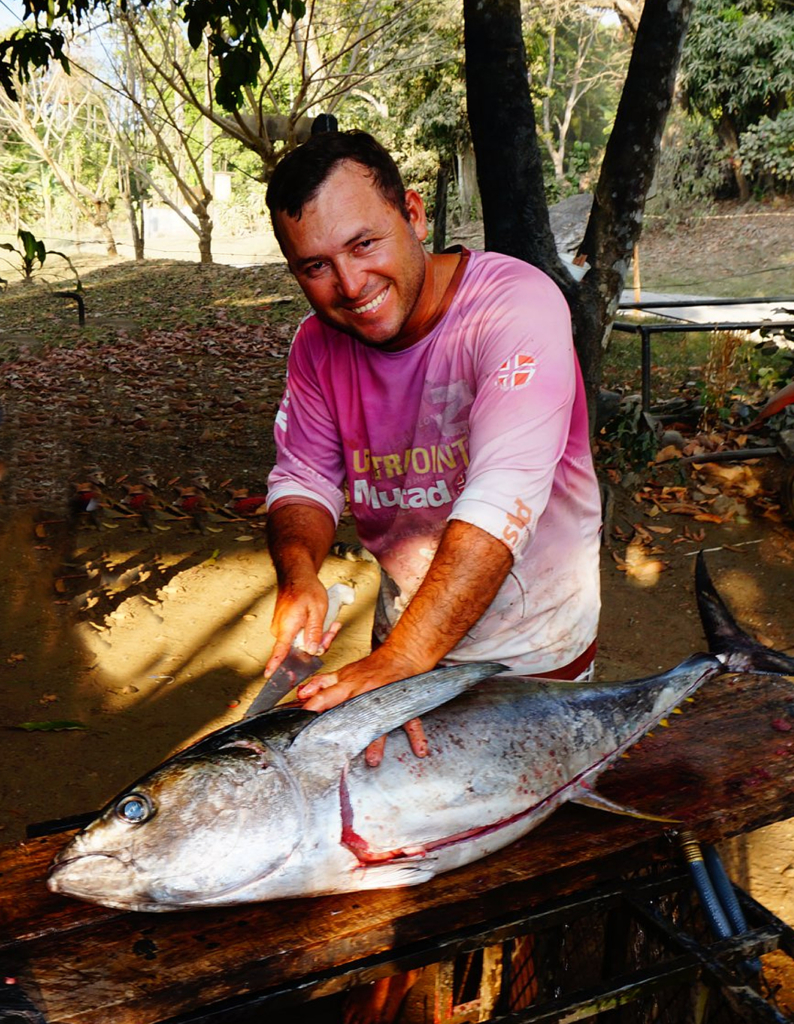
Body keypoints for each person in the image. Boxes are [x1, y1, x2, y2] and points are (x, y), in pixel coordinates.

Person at [263, 129, 601, 1024]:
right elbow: (300, 478)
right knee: (387, 872)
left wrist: (407, 660)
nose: (347, 285)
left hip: (534, 652)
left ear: (414, 214)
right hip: (403, 643)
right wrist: (299, 574)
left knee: (524, 877)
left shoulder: (514, 307)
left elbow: (501, 498)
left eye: (365, 244)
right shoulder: (316, 347)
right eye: (314, 266)